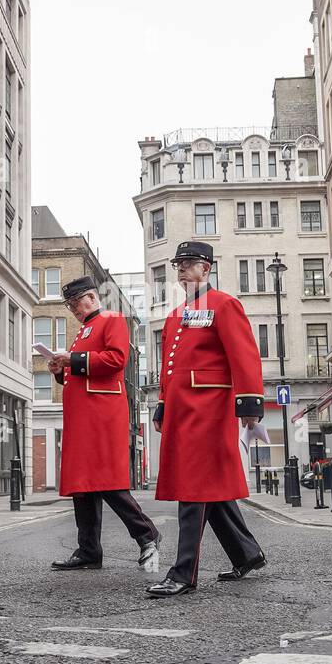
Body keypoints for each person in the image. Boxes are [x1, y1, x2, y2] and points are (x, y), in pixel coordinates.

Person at [146, 241, 267, 597]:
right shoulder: (175, 315)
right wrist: (163, 405)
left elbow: (244, 355)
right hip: (183, 411)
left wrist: (248, 404)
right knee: (208, 487)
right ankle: (247, 554)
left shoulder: (224, 305)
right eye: (179, 264)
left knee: (193, 487)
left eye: (190, 263)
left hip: (210, 410)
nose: (182, 269)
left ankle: (183, 573)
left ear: (207, 268)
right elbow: (171, 367)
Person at [48, 276, 161, 572]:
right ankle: (88, 550)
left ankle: (147, 534)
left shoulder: (111, 320)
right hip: (83, 417)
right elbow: (79, 371)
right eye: (70, 304)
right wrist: (61, 370)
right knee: (82, 486)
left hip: (101, 415)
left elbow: (115, 359)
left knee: (107, 482)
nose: (72, 308)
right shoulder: (84, 331)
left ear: (91, 297)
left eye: (75, 302)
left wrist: (72, 359)